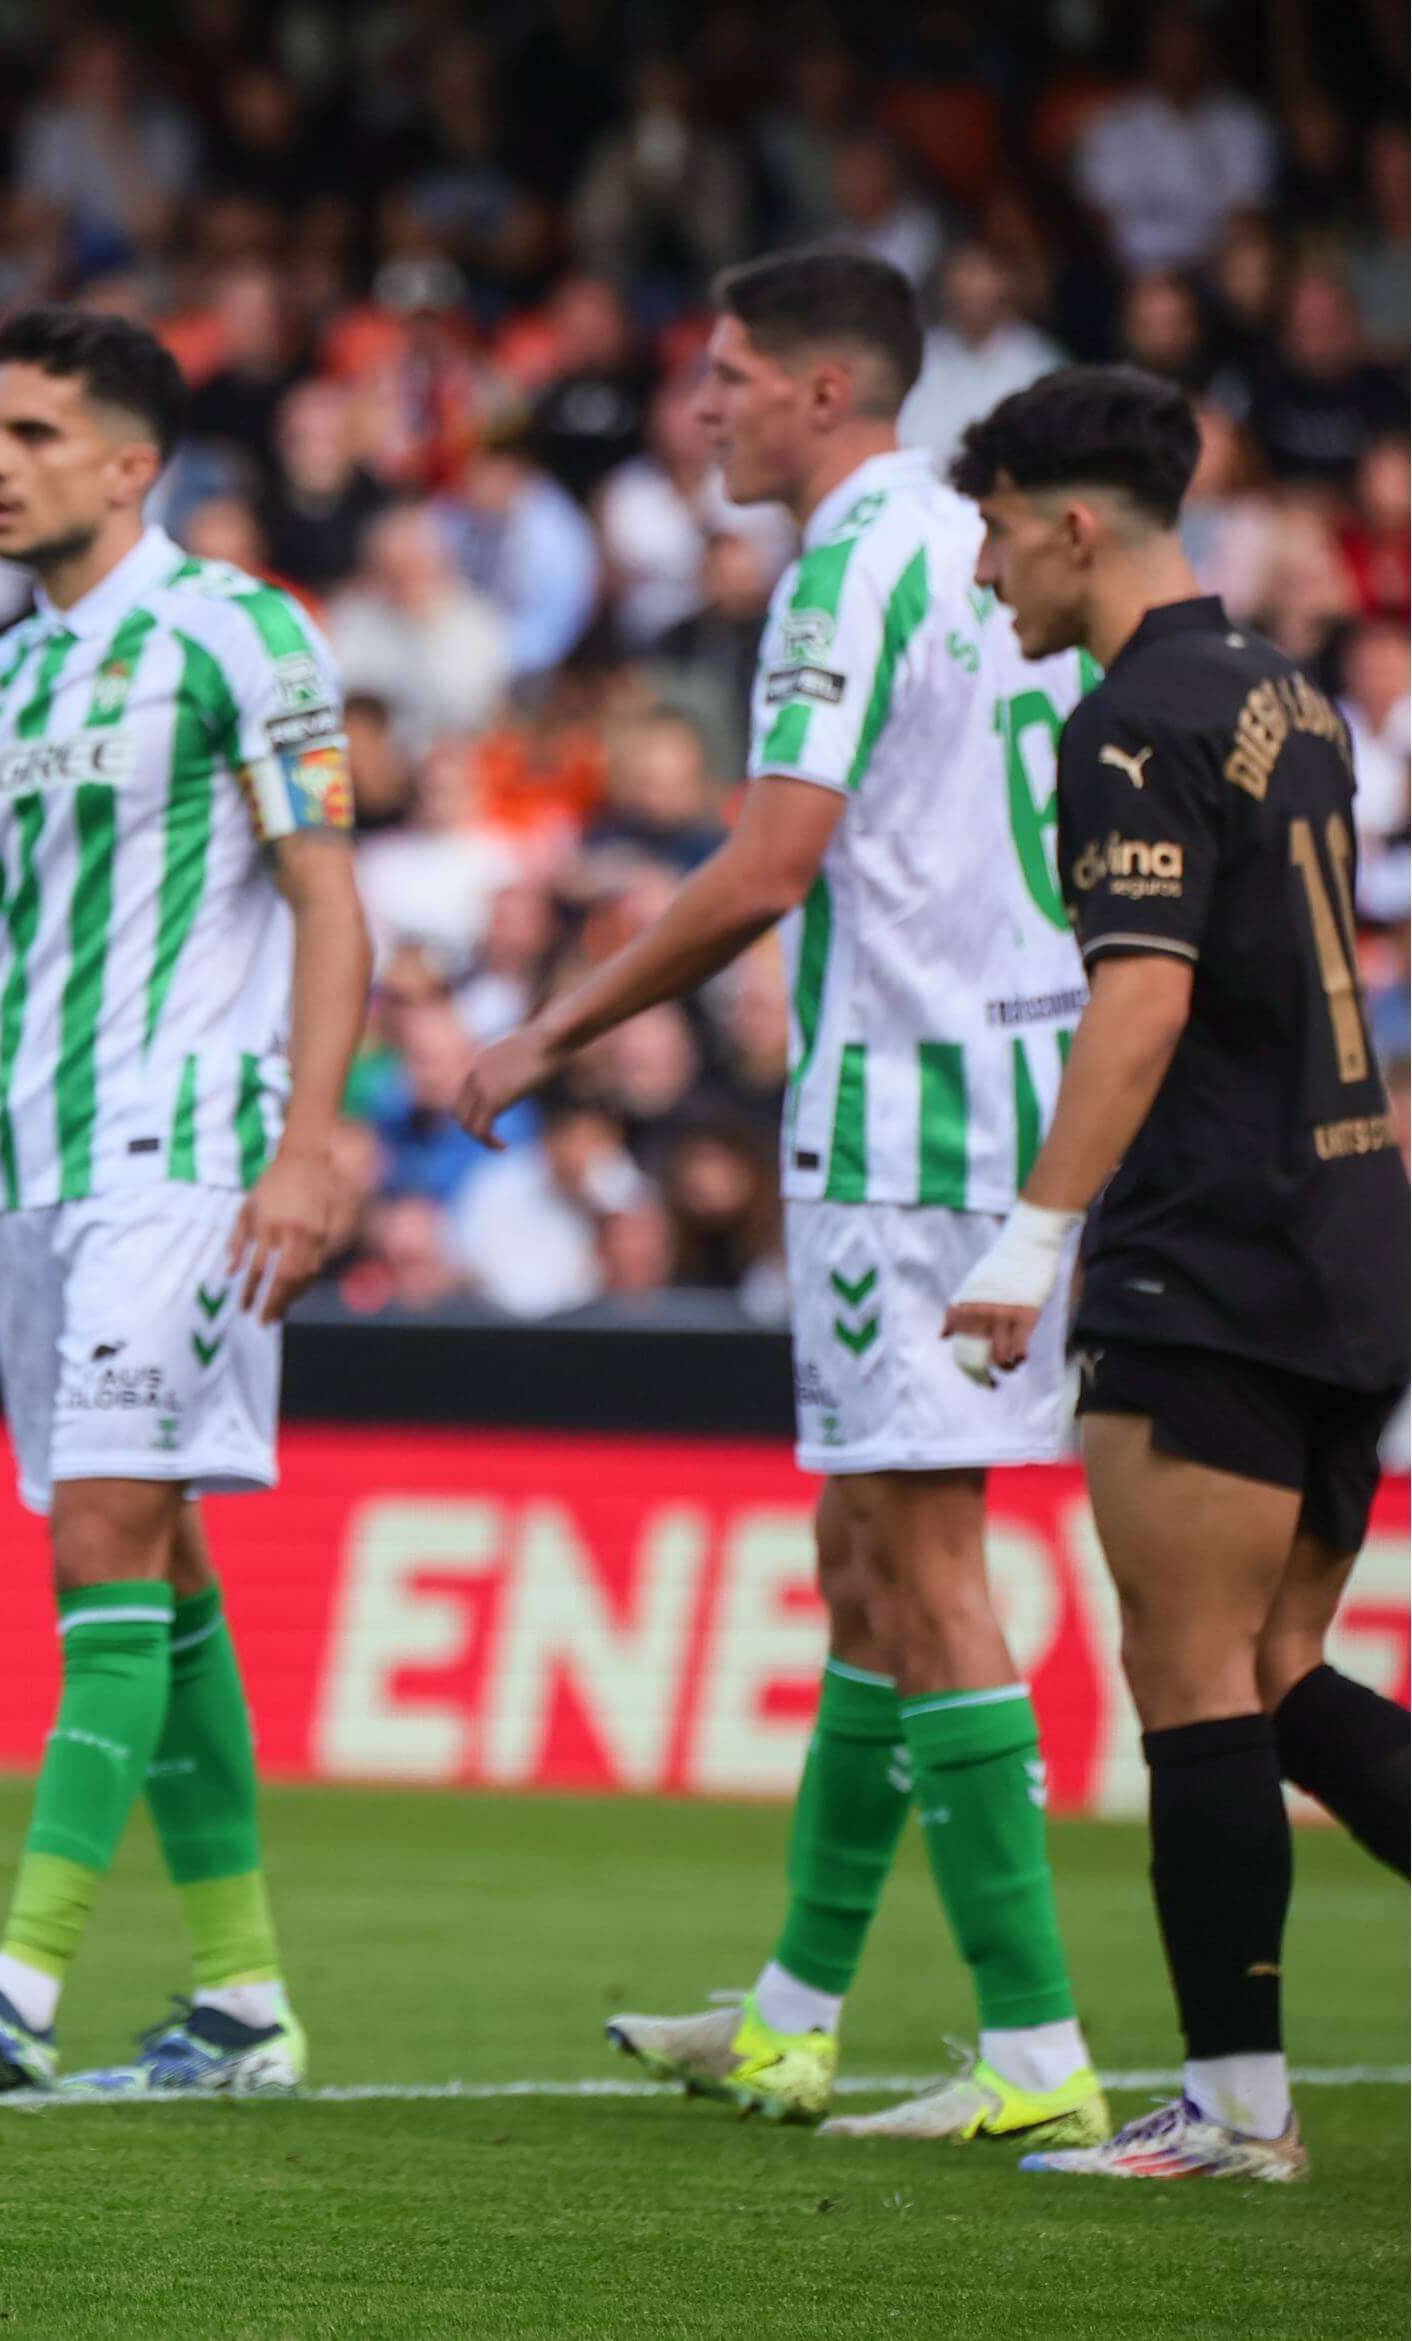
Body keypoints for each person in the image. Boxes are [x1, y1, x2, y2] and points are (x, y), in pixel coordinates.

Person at [457, 248, 1111, 2149]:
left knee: (922, 1564)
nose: (702, 407)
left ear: (827, 394)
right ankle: (796, 2014)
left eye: (730, 376)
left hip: (906, 1113)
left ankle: (1033, 2048)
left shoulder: (846, 560)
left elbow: (766, 865)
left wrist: (547, 1031)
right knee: (859, 1564)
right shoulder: (978, 551)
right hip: (996, 1076)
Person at [0, 307, 372, 2101]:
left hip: (196, 1160)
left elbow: (325, 895)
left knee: (103, 1532)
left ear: (126, 464)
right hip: (40, 1172)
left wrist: (313, 1139)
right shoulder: (8, 677)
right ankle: (243, 2001)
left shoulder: (242, 633)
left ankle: (15, 1987)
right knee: (150, 1559)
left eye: (27, 431)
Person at [938, 366, 1412, 2182]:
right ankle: (1232, 2102)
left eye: (993, 534)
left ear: (1072, 523)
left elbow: (1143, 995)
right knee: (1284, 1668)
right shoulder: (1283, 689)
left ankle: (1232, 2112)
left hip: (1212, 1244)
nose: (985, 577)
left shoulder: (1125, 722)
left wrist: (1033, 1233)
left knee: (1190, 1679)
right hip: (1354, 1228)